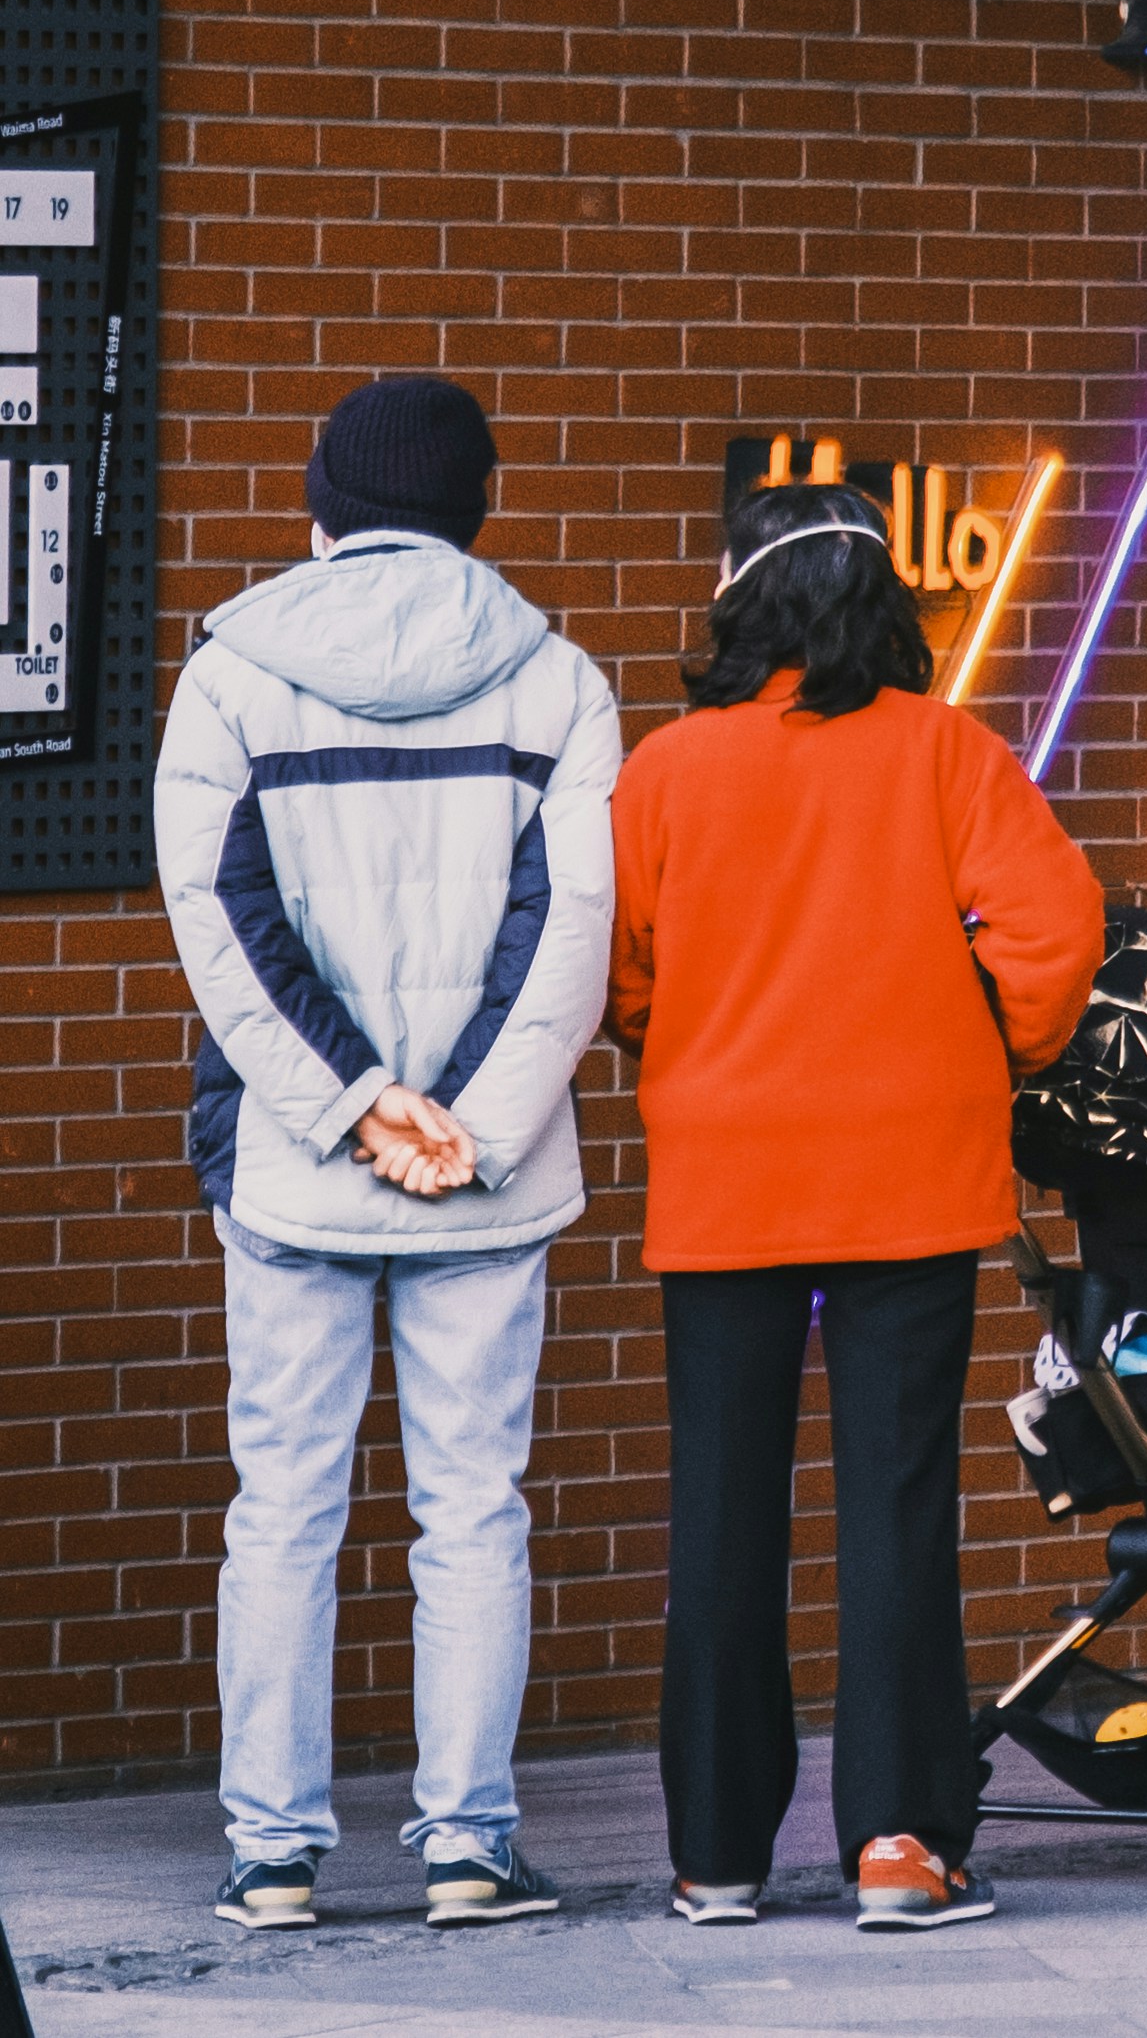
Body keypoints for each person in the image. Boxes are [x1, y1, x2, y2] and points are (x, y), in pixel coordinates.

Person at [154, 376, 621, 1932]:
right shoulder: (557, 682)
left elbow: (221, 923)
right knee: (473, 1509)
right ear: (477, 507)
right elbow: (565, 932)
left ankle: (274, 1855)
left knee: (280, 1504)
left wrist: (350, 1105)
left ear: (321, 508)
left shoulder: (230, 676)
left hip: (297, 1169)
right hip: (484, 1181)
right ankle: (467, 1849)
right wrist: (464, 1125)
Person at [607, 476, 1103, 1936]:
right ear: (881, 599)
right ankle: (899, 1844)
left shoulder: (668, 769)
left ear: (737, 597)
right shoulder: (950, 755)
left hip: (725, 1180)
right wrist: (984, 1049)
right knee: (896, 1509)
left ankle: (716, 1856)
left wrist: (683, 1040)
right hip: (908, 1179)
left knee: (721, 1511)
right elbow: (1056, 935)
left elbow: (621, 975)